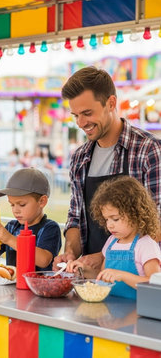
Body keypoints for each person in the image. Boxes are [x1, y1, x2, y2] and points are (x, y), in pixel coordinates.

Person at [53, 66, 161, 271]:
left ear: (111, 103)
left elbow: (157, 222)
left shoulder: (149, 151)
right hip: (92, 280)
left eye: (87, 113)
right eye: (75, 115)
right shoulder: (79, 158)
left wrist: (107, 254)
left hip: (141, 279)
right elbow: (75, 218)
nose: (81, 123)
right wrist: (70, 252)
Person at [66, 176, 161, 299]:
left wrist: (123, 276)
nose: (109, 225)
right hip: (111, 310)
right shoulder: (112, 242)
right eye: (106, 219)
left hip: (137, 312)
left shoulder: (146, 245)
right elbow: (103, 276)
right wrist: (84, 270)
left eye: (115, 219)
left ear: (135, 214)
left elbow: (155, 285)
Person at [0, 167, 62, 271]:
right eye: (12, 205)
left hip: (37, 286)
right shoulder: (12, 227)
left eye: (22, 204)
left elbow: (43, 260)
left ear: (42, 201)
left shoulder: (49, 228)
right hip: (13, 285)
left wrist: (9, 239)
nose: (16, 210)